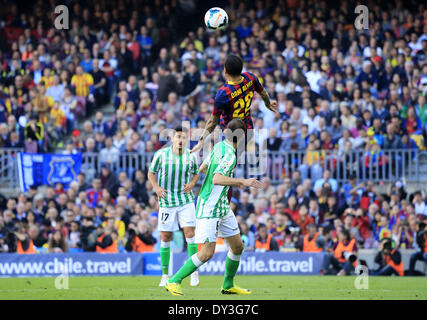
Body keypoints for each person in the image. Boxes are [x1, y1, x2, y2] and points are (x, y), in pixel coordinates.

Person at [166, 119, 263, 296]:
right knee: (206, 253)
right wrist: (241, 181)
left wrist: (226, 181)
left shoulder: (218, 147)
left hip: (222, 206)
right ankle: (174, 280)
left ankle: (227, 285)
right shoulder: (230, 155)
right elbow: (216, 179)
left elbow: (204, 169)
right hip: (210, 206)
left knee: (238, 246)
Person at [190, 54, 278, 153]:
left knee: (223, 160)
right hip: (247, 129)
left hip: (230, 132)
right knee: (229, 159)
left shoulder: (223, 93)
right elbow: (262, 92)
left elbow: (213, 121)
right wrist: (267, 103)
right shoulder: (250, 77)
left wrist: (201, 140)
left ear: (225, 71)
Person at [147, 126, 200, 287]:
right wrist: (156, 188)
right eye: (178, 137)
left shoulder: (191, 156)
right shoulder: (161, 154)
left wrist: (192, 183)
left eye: (184, 137)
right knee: (165, 237)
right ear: (172, 138)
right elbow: (151, 173)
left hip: (185, 200)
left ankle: (193, 272)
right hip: (167, 201)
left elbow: (196, 173)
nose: (181, 140)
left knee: (190, 235)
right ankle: (164, 275)